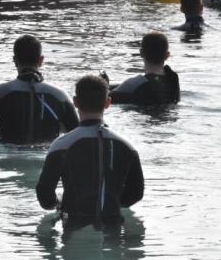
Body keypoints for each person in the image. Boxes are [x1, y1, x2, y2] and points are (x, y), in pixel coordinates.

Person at [35, 75, 144, 230]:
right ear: (107, 103)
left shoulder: (60, 146)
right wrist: (113, 203)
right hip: (111, 226)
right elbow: (136, 193)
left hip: (73, 228)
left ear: (75, 102)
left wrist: (59, 204)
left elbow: (44, 195)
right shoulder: (127, 146)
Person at [0, 34, 79, 143]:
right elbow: (78, 137)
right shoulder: (60, 96)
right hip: (46, 156)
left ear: (15, 60)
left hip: (8, 157)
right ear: (41, 60)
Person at [109, 32, 180, 106]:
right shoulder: (173, 79)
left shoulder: (134, 83)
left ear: (141, 53)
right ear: (167, 55)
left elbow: (105, 98)